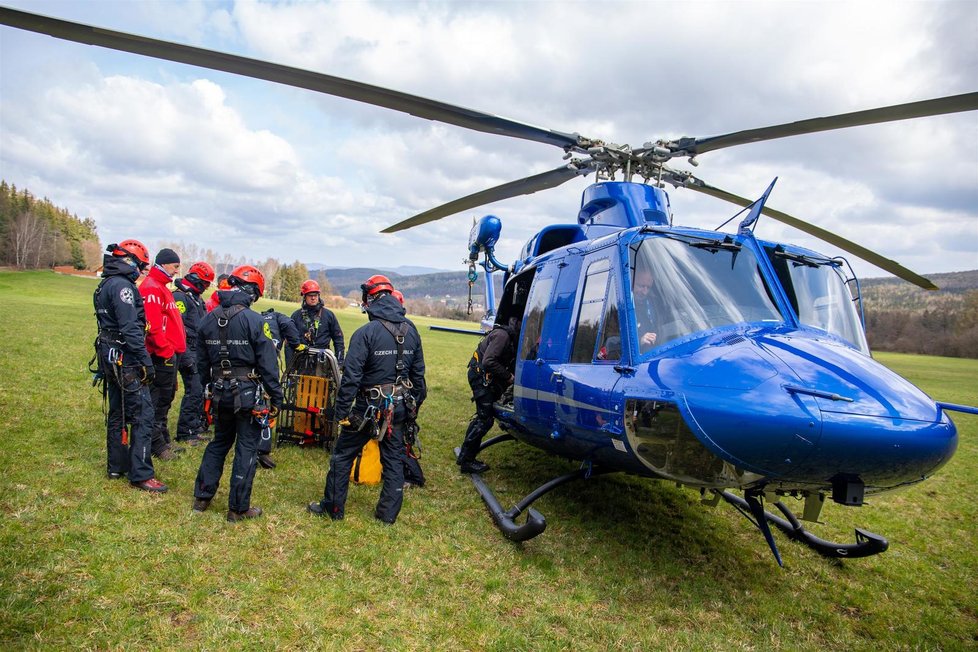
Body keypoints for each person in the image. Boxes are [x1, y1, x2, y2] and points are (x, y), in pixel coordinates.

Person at [307, 275, 426, 525]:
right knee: (393, 459)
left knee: (342, 456)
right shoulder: (411, 330)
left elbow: (350, 378)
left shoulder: (366, 333)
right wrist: (411, 409)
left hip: (368, 408)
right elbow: (419, 378)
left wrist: (341, 414)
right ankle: (387, 516)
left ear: (369, 300)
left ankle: (333, 508)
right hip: (400, 407)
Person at [192, 265, 283, 522]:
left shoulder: (208, 319)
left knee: (219, 442)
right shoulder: (256, 321)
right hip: (246, 394)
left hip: (218, 392)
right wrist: (276, 397)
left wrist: (206, 392)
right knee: (246, 447)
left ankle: (202, 497)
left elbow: (201, 363)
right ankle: (238, 508)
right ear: (253, 293)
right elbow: (268, 364)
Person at [92, 239, 167, 492]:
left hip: (109, 355)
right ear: (129, 262)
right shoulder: (123, 287)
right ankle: (141, 474)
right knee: (144, 414)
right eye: (141, 265)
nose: (141, 271)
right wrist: (145, 361)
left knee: (118, 412)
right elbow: (130, 328)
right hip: (125, 359)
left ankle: (117, 465)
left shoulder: (105, 285)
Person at [139, 247, 187, 460]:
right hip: (161, 355)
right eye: (175, 266)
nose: (177, 271)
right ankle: (156, 445)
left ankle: (163, 439)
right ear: (165, 263)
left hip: (170, 354)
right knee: (158, 399)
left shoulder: (162, 287)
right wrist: (166, 350)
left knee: (167, 398)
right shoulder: (151, 288)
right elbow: (153, 326)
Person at [457, 316, 519, 474]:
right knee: (484, 420)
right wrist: (509, 377)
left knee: (482, 418)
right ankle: (467, 462)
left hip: (483, 377)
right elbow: (489, 361)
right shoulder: (502, 336)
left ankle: (465, 457)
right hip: (480, 378)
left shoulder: (506, 336)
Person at [255, 307, 306, 469]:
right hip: (267, 363)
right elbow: (290, 327)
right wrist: (297, 345)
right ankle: (262, 449)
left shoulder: (255, 317)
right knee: (267, 405)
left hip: (246, 366)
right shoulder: (281, 318)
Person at [172, 261, 215, 445]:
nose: (206, 288)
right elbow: (177, 326)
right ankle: (185, 432)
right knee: (194, 390)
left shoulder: (195, 298)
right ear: (197, 279)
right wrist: (187, 355)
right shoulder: (181, 297)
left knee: (199, 390)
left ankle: (194, 426)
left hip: (197, 350)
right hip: (186, 350)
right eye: (204, 283)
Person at [290, 279, 344, 364]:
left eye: (315, 295)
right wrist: (290, 365)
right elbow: (289, 342)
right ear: (304, 296)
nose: (313, 298)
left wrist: (339, 362)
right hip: (301, 361)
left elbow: (338, 340)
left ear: (319, 296)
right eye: (310, 295)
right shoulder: (296, 316)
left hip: (323, 361)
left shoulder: (329, 315)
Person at [632, 261, 658, 352]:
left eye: (648, 287)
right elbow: (611, 341)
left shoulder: (655, 304)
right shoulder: (619, 308)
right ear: (632, 281)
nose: (645, 292)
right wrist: (639, 341)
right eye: (641, 286)